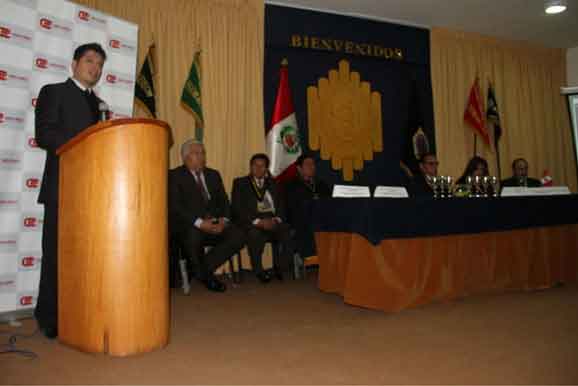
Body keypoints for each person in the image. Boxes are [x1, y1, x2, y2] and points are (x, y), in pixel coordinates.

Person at [34, 43, 107, 339]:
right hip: (62, 187)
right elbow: (45, 134)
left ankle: (78, 312)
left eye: (99, 63)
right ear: (74, 64)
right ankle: (48, 316)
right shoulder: (54, 91)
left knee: (84, 256)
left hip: (91, 192)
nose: (95, 67)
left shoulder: (100, 104)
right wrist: (85, 142)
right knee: (56, 254)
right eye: (89, 60)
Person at [168, 140, 245, 292]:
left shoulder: (213, 174)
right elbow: (176, 207)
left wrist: (224, 220)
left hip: (215, 222)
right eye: (197, 153)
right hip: (190, 226)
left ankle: (200, 271)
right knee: (193, 235)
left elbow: (224, 201)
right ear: (185, 158)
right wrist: (200, 223)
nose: (202, 157)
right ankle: (206, 277)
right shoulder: (175, 176)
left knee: (238, 235)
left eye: (203, 153)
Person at [231, 153, 293, 283]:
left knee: (288, 231)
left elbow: (282, 206)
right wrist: (258, 222)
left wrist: (276, 220)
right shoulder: (240, 183)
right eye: (255, 165)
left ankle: (280, 268)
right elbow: (237, 208)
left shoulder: (274, 183)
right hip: (253, 222)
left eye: (262, 166)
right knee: (255, 234)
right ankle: (258, 270)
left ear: (266, 169)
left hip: (273, 221)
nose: (258, 169)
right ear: (250, 167)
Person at [285, 154, 331, 259]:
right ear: (299, 168)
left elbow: (330, 203)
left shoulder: (321, 184)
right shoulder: (291, 186)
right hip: (301, 221)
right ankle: (312, 258)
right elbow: (291, 209)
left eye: (313, 164)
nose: (312, 167)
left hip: (323, 219)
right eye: (308, 164)